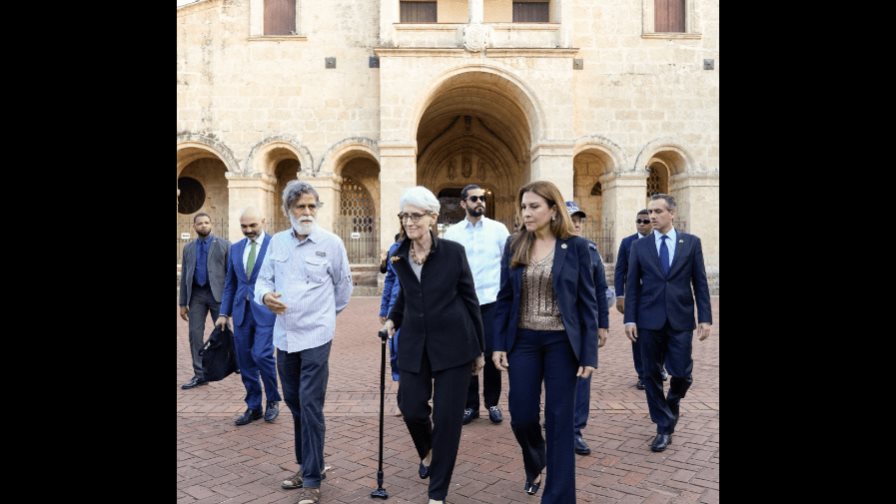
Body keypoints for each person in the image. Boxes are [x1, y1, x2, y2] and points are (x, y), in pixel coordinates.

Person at [492, 181, 598, 503]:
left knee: (559, 418)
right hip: (522, 341)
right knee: (521, 414)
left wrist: (588, 354)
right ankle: (536, 459)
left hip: (561, 344)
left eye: (534, 206)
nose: (527, 212)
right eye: (524, 206)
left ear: (553, 210)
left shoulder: (576, 247)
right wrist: (498, 343)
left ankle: (558, 496)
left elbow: (586, 303)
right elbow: (505, 298)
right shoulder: (515, 245)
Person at [381, 186, 484, 504]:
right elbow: (407, 295)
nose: (409, 221)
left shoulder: (453, 252)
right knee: (410, 407)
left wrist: (479, 348)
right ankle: (427, 451)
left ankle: (437, 492)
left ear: (433, 217)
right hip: (414, 341)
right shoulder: (398, 254)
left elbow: (470, 299)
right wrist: (392, 319)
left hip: (454, 343)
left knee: (448, 420)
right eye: (404, 215)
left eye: (416, 215)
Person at [255, 181, 353, 504]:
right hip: (284, 336)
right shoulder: (277, 244)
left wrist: (323, 317)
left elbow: (343, 290)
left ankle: (312, 479)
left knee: (310, 404)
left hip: (316, 336)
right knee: (295, 402)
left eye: (312, 206)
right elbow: (263, 281)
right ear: (288, 211)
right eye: (301, 207)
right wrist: (267, 296)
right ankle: (310, 463)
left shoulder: (332, 243)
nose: (307, 212)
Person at [623, 193, 712, 453]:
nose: (652, 216)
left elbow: (701, 282)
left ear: (672, 213)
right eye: (650, 212)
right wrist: (630, 318)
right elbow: (633, 286)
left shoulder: (691, 243)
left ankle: (671, 404)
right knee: (650, 374)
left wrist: (705, 317)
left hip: (681, 319)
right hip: (648, 320)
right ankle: (663, 426)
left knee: (682, 374)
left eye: (658, 211)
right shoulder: (639, 247)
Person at [443, 183, 510, 425]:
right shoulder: (453, 233)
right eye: (474, 199)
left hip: (492, 300)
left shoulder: (498, 230)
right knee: (467, 352)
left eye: (482, 198)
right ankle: (470, 406)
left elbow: (508, 263)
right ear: (463, 203)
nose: (479, 202)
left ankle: (492, 403)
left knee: (493, 353)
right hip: (463, 303)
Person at [215, 208, 282, 426]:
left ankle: (272, 400)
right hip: (241, 313)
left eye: (253, 225)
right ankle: (254, 406)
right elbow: (230, 284)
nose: (248, 230)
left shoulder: (276, 245)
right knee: (244, 361)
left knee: (262, 355)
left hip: (266, 311)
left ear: (263, 221)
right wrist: (224, 313)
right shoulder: (235, 249)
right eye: (244, 226)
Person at [564, 201, 609, 457]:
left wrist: (603, 324)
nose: (577, 223)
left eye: (580, 219)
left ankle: (576, 429)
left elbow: (600, 290)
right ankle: (555, 418)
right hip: (558, 325)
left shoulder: (592, 251)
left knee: (583, 377)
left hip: (585, 326)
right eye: (572, 218)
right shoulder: (552, 250)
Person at [615, 209, 668, 389]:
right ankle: (642, 374)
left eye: (646, 221)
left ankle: (659, 367)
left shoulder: (661, 242)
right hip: (636, 298)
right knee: (636, 336)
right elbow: (619, 270)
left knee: (660, 334)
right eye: (639, 221)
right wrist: (620, 295)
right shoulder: (627, 242)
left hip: (657, 297)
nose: (642, 224)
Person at [179, 213, 230, 390]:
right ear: (194, 226)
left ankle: (233, 364)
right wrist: (182, 303)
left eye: (206, 222)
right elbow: (185, 275)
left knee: (224, 333)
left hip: (218, 295)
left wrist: (230, 301)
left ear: (212, 224)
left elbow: (231, 275)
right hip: (197, 295)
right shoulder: (188, 248)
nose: (203, 225)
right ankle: (200, 374)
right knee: (194, 335)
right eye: (200, 223)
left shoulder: (224, 245)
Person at [379, 225, 405, 413]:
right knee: (396, 352)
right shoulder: (395, 249)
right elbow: (389, 280)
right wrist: (384, 309)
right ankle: (401, 398)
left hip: (420, 310)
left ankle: (418, 397)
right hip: (396, 309)